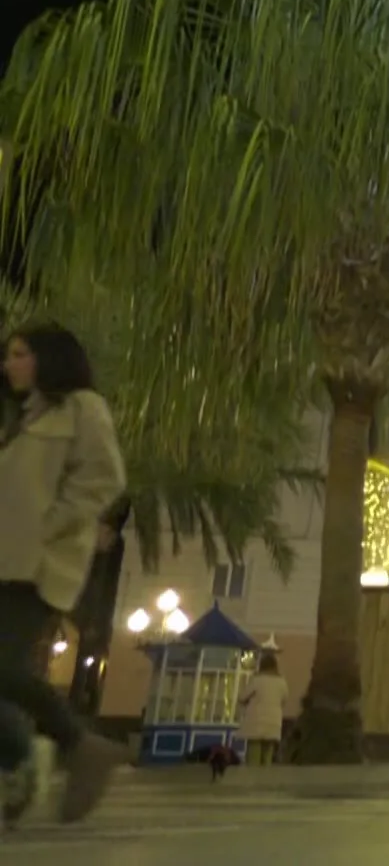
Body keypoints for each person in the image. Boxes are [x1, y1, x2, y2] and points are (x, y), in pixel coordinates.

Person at [0, 323, 126, 825]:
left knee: (5, 669)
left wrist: (51, 525)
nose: (9, 364)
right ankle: (27, 757)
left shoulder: (82, 409)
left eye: (19, 354)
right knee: (6, 673)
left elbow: (104, 478)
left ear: (48, 358)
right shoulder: (23, 419)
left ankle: (77, 745)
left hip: (37, 568)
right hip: (6, 562)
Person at [237, 652, 289, 765]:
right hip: (273, 722)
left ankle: (252, 781)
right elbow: (284, 699)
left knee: (253, 757)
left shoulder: (257, 680)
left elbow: (242, 697)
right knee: (267, 756)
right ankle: (266, 780)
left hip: (256, 722)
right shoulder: (282, 682)